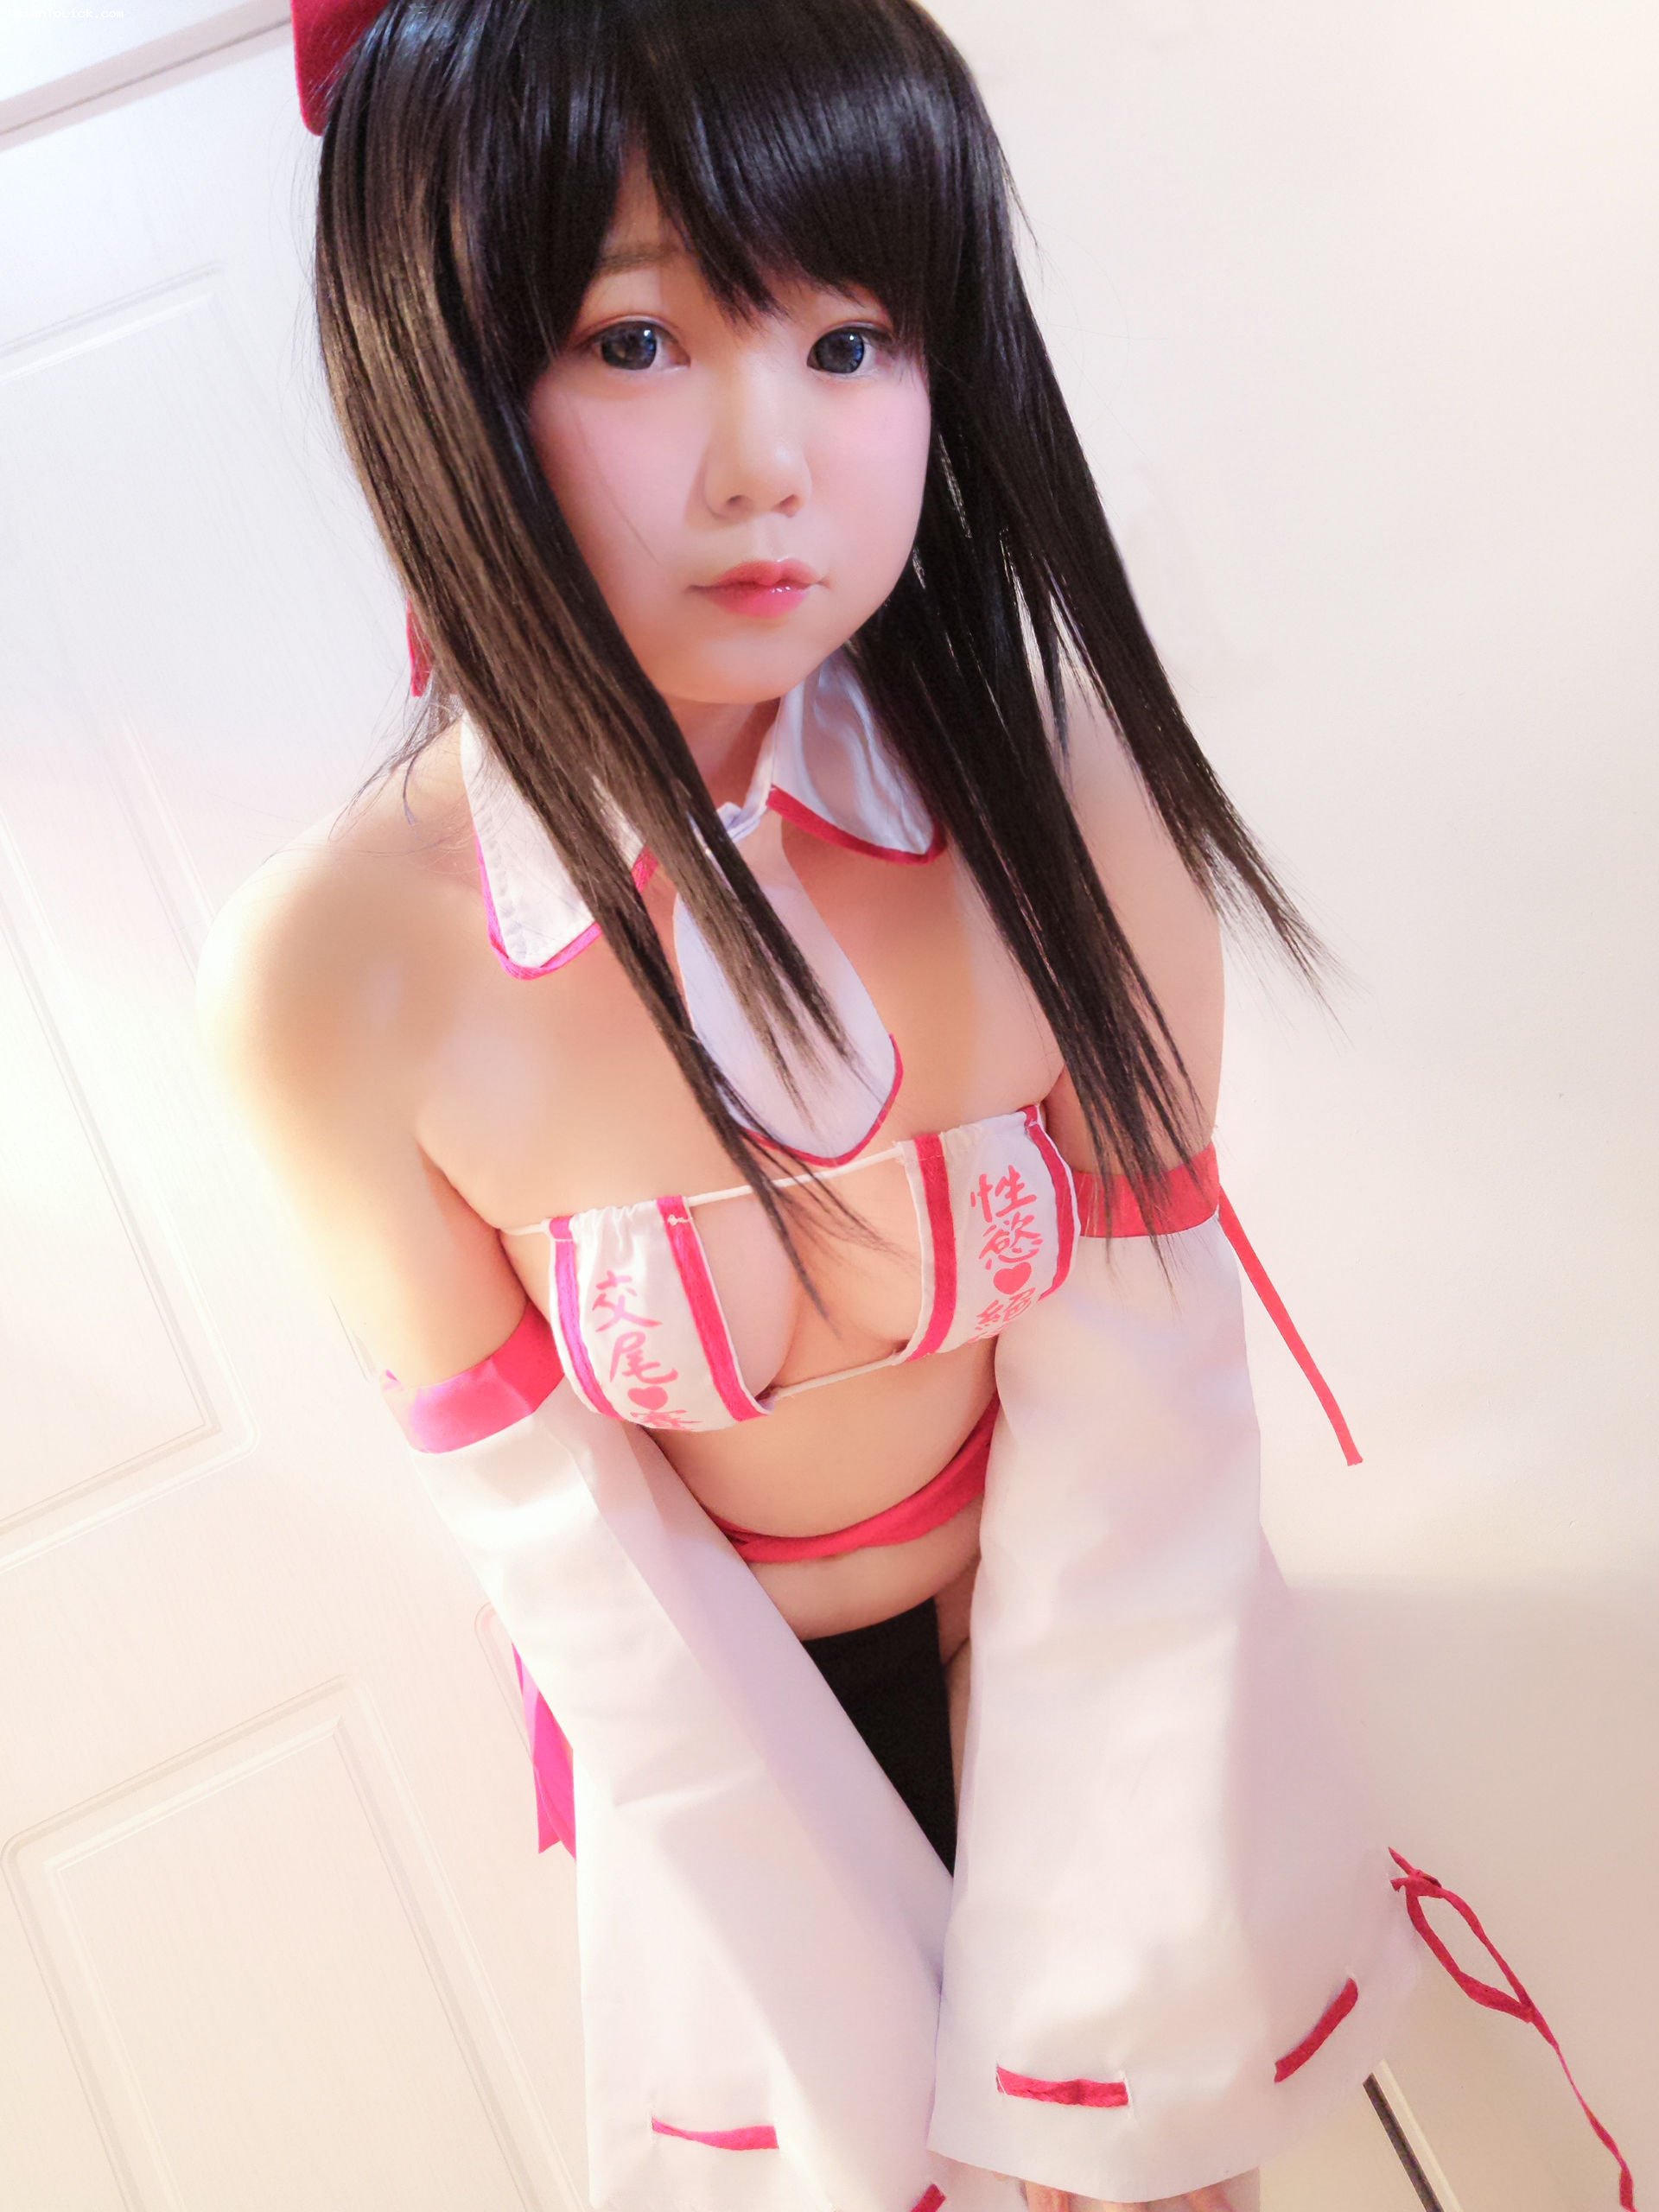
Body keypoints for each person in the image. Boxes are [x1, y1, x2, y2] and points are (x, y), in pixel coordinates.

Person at [194, 7, 1640, 2212]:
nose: (769, 461)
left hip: (1090, 1639)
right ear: (441, 371)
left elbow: (1147, 1402)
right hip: (725, 1741)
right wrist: (895, 2099)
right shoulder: (340, 977)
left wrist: (1096, 2039)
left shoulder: (1058, 788)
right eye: (638, 339)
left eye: (852, 337)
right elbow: (583, 1570)